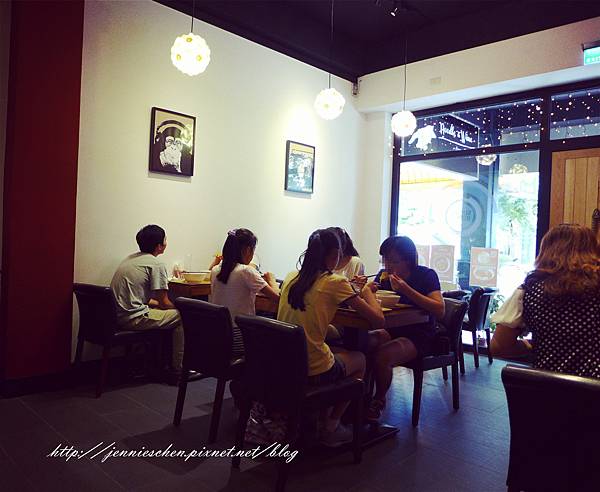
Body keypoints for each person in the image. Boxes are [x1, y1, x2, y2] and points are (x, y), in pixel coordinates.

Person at [277, 227, 386, 447]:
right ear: (335, 254)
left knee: (336, 349)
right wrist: (366, 292)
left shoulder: (291, 277)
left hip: (284, 365)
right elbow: (378, 321)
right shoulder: (335, 282)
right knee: (360, 359)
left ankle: (320, 417)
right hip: (311, 370)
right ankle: (331, 426)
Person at [490, 224, 600, 378]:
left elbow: (499, 346)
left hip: (547, 385)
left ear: (546, 252)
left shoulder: (528, 290)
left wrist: (531, 347)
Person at [368, 235, 445, 422]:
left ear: (408, 260)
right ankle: (358, 399)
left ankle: (378, 401)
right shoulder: (383, 276)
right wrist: (365, 290)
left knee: (383, 356)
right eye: (385, 260)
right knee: (363, 344)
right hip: (392, 329)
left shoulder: (426, 275)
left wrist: (405, 289)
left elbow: (440, 309)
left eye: (393, 261)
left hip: (419, 334)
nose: (387, 266)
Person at [110, 225, 184, 380]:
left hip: (116, 316)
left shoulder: (130, 259)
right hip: (133, 318)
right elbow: (163, 302)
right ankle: (178, 368)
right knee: (181, 317)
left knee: (167, 313)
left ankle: (159, 362)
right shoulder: (156, 264)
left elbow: (144, 298)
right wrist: (180, 307)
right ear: (159, 246)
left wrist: (164, 306)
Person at [210, 228, 280, 355]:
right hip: (239, 339)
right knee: (276, 345)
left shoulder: (215, 270)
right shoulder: (246, 271)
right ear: (248, 250)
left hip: (217, 337)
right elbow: (278, 298)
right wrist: (272, 280)